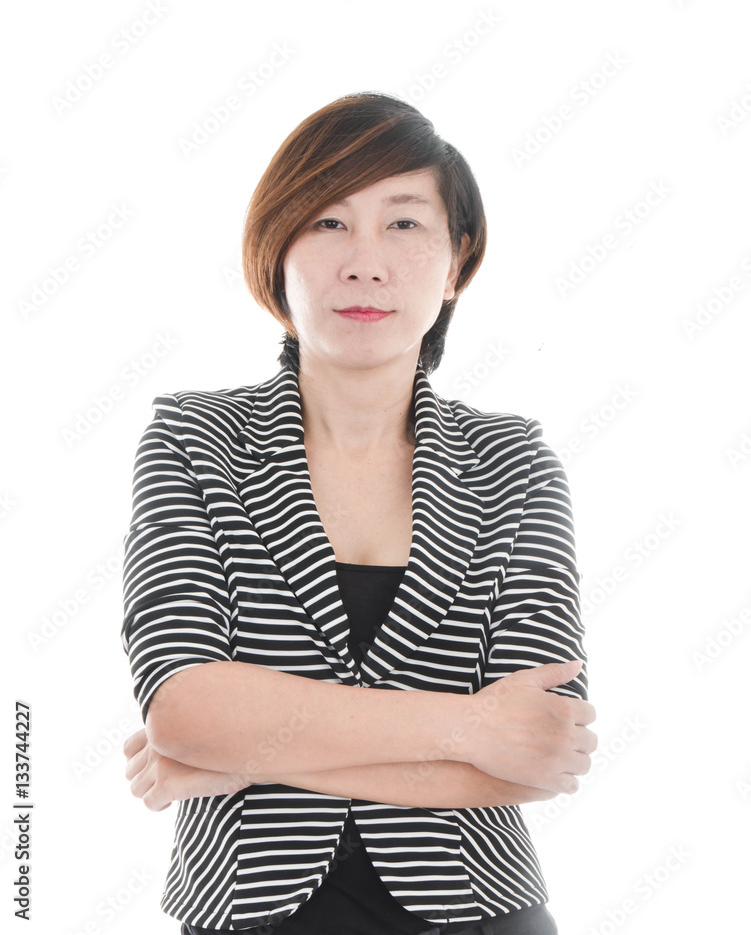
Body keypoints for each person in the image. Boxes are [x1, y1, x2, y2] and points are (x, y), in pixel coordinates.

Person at [120, 90, 597, 935]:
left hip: (478, 913)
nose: (365, 263)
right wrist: (469, 725)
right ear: (276, 254)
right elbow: (185, 710)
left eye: (404, 223)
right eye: (328, 223)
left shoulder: (512, 462)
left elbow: (541, 748)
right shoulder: (195, 441)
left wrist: (231, 757)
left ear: (454, 263)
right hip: (245, 914)